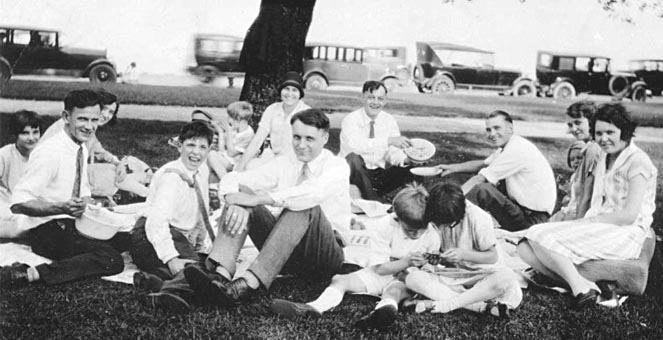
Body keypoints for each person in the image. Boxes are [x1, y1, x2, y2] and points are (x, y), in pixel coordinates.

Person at [183, 108, 350, 307]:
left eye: (309, 139)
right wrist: (234, 199)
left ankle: (249, 284)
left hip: (324, 255)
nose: (301, 145)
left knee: (303, 206)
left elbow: (312, 193)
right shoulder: (286, 162)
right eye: (296, 137)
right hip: (285, 251)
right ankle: (220, 275)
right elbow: (236, 178)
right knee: (244, 193)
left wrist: (262, 198)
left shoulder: (337, 166)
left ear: (324, 137)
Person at [518, 103, 658, 309]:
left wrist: (590, 221)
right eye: (599, 133)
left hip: (625, 232)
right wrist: (586, 221)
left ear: (625, 132)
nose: (603, 138)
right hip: (601, 225)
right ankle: (584, 285)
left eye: (610, 132)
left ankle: (577, 287)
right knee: (523, 247)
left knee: (540, 237)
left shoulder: (638, 162)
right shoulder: (605, 157)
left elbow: (629, 215)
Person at [0, 90, 129, 287]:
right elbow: (18, 204)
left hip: (71, 224)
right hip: (45, 231)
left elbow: (82, 191)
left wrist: (95, 206)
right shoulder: (50, 152)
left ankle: (168, 275)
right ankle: (30, 273)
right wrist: (61, 208)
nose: (89, 126)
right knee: (112, 259)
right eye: (83, 119)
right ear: (66, 117)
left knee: (127, 238)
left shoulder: (81, 147)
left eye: (94, 120)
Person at [270, 184, 440, 330]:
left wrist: (426, 266)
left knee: (395, 290)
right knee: (340, 280)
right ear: (397, 219)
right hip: (383, 271)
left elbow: (429, 269)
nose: (417, 235)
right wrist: (407, 261)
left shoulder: (432, 235)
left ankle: (382, 313)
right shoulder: (385, 225)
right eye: (410, 230)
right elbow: (380, 268)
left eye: (421, 230)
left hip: (407, 278)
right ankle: (313, 308)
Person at [130, 121, 216, 311]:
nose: (196, 153)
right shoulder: (172, 177)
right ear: (180, 145)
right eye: (190, 145)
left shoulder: (202, 171)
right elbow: (156, 222)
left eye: (202, 147)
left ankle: (155, 281)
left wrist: (201, 245)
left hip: (174, 236)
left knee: (209, 263)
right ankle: (165, 293)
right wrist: (171, 258)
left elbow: (201, 214)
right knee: (198, 273)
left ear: (209, 149)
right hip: (149, 236)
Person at [404, 183, 522, 319]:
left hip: (483, 273)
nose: (444, 227)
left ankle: (444, 305)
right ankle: (480, 306)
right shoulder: (438, 214)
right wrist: (431, 259)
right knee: (413, 279)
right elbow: (439, 257)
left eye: (450, 224)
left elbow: (492, 257)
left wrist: (463, 255)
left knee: (507, 277)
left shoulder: (478, 217)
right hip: (455, 275)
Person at [434, 110, 556, 231]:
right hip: (522, 211)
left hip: (533, 220)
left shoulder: (517, 149)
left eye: (497, 128)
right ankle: (454, 224)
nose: (492, 134)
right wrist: (452, 168)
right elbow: (483, 165)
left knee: (482, 190)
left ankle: (447, 223)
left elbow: (480, 178)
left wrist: (453, 199)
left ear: (510, 128)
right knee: (486, 189)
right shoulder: (510, 146)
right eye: (488, 130)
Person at [41, 89, 129, 201]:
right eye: (104, 109)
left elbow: (100, 152)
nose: (106, 115)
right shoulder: (71, 127)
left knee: (113, 169)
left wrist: (118, 163)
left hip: (69, 176)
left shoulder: (88, 128)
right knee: (111, 174)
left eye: (111, 112)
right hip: (54, 181)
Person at [340, 80, 416, 201]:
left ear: (385, 101)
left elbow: (392, 151)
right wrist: (387, 141)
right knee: (353, 158)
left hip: (378, 174)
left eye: (380, 99)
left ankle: (411, 206)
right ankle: (376, 203)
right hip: (354, 173)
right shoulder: (351, 120)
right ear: (363, 98)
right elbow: (354, 146)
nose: (375, 102)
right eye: (371, 97)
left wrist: (405, 160)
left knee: (412, 167)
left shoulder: (389, 120)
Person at [234, 71, 310, 172]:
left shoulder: (307, 113)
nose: (289, 94)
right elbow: (257, 140)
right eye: (286, 89)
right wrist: (241, 165)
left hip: (295, 162)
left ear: (300, 94)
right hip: (273, 158)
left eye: (294, 90)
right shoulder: (272, 109)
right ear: (281, 91)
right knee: (248, 167)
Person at [555, 101, 601, 221]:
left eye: (578, 123)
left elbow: (587, 196)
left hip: (581, 216)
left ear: (591, 121)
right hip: (573, 210)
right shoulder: (588, 148)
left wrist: (577, 225)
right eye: (570, 125)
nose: (574, 129)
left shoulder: (593, 150)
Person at [0, 110, 43, 238]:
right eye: (25, 133)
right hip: (7, 204)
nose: (31, 138)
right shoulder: (5, 154)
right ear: (15, 135)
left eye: (35, 132)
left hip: (31, 205)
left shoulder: (44, 155)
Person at [210, 101, 256, 173]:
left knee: (211, 155)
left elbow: (230, 153)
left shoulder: (248, 135)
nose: (228, 120)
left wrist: (229, 132)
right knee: (209, 155)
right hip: (227, 160)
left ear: (237, 118)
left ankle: (227, 180)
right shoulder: (235, 131)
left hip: (236, 165)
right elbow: (221, 150)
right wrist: (220, 132)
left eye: (230, 117)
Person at [551, 140, 587, 222]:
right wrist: (565, 186)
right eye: (572, 159)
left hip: (578, 210)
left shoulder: (587, 177)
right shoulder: (574, 176)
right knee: (554, 219)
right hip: (570, 208)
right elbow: (573, 194)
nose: (575, 162)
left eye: (579, 158)